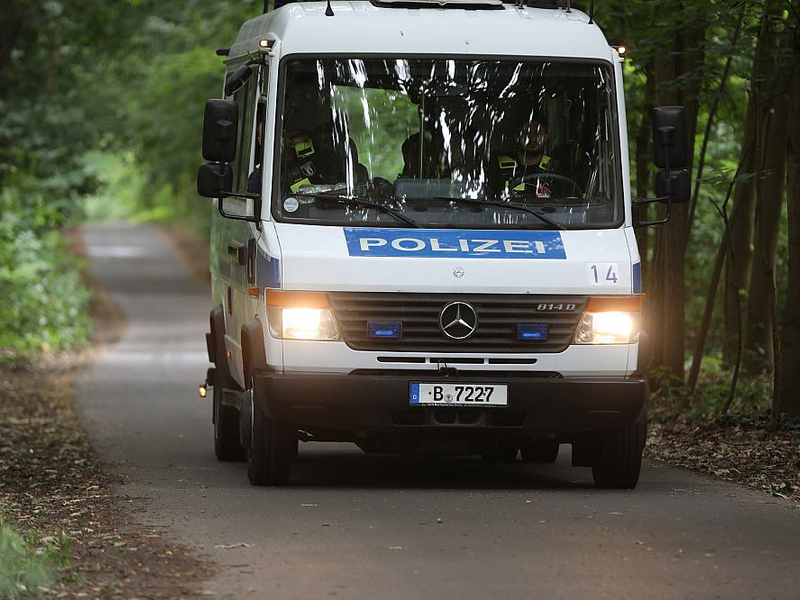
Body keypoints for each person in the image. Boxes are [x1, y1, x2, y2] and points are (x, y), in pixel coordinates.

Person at [493, 117, 570, 200]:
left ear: (546, 137)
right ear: (517, 136)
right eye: (526, 133)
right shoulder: (498, 167)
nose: (532, 138)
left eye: (538, 133)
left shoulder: (555, 169)